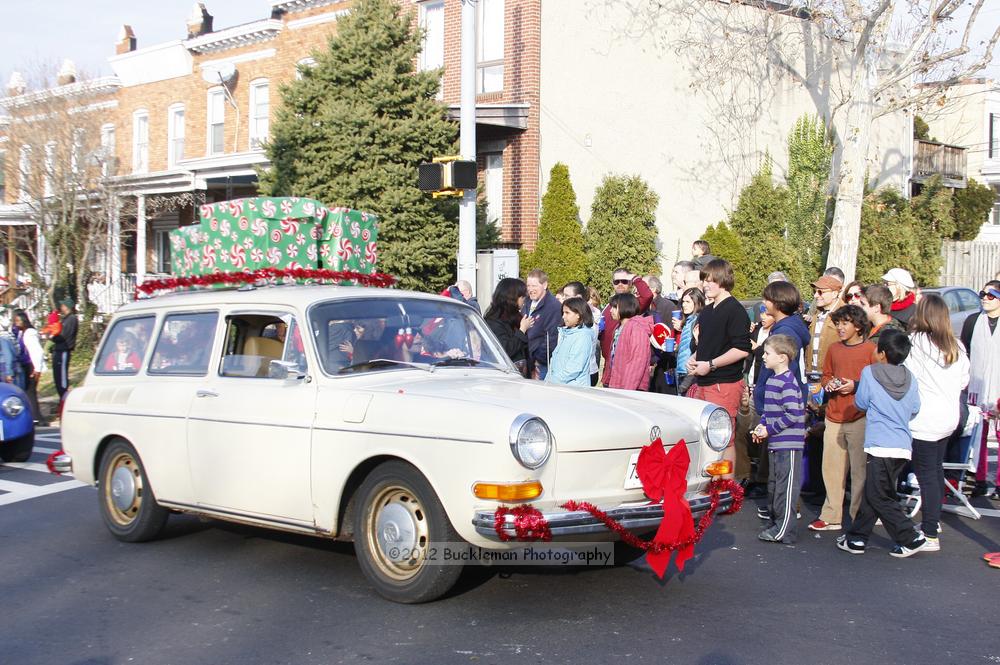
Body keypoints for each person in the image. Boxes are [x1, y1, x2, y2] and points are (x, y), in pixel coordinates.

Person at [837, 329, 926, 558]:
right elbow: (915, 408)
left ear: (882, 353)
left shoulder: (869, 373)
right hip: (902, 444)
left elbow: (861, 402)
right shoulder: (910, 377)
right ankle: (857, 538)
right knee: (874, 491)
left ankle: (909, 537)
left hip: (879, 443)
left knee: (879, 496)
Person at [904, 294, 970, 550]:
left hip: (924, 419)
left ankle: (930, 532)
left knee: (927, 474)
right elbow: (963, 381)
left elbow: (907, 376)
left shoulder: (915, 343)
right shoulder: (956, 346)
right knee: (935, 471)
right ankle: (933, 520)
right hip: (948, 417)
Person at [810, 304, 875, 531]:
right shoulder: (834, 349)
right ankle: (831, 515)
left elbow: (877, 382)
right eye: (837, 323)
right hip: (834, 415)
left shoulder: (871, 350)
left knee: (859, 471)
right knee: (831, 468)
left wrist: (855, 385)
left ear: (858, 326)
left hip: (860, 416)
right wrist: (831, 384)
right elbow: (826, 376)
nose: (839, 327)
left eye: (844, 323)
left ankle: (859, 516)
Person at [685, 259, 752, 448]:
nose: (705, 285)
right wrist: (694, 358)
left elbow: (741, 349)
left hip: (725, 384)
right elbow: (707, 345)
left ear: (723, 280)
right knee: (702, 439)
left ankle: (726, 479)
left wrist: (711, 364)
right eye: (704, 280)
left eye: (710, 280)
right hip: (703, 383)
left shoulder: (735, 310)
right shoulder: (707, 311)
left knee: (723, 441)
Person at [752, 334, 807, 544]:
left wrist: (770, 429)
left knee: (786, 487)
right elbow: (770, 411)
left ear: (782, 357)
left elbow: (793, 413)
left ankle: (784, 530)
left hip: (789, 444)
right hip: (777, 442)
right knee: (774, 485)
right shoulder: (774, 380)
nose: (763, 357)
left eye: (767, 353)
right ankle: (777, 523)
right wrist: (762, 425)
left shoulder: (787, 383)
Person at [961, 280, 1000, 498]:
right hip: (977, 387)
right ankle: (979, 478)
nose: (984, 298)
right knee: (978, 434)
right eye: (982, 294)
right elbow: (966, 353)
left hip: (998, 387)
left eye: (991, 295)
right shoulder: (973, 321)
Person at [599, 268, 654, 386]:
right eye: (616, 281)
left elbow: (647, 295)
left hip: (626, 374)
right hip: (611, 367)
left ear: (629, 283)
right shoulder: (608, 306)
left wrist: (635, 279)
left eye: (624, 281)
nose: (620, 284)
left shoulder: (633, 304)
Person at [604, 293, 656, 391]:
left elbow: (637, 361)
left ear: (625, 307)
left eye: (615, 307)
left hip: (630, 387)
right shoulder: (619, 327)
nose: (611, 310)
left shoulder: (636, 328)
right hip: (617, 384)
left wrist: (628, 389)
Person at [484, 277, 533, 377]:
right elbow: (505, 350)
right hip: (504, 376)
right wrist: (522, 330)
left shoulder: (515, 317)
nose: (524, 300)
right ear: (513, 297)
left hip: (520, 373)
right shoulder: (494, 320)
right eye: (522, 297)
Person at [545, 297, 596, 387]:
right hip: (559, 387)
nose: (563, 316)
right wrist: (548, 380)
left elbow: (574, 368)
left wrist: (552, 381)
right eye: (563, 313)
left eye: (567, 313)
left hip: (573, 388)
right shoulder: (566, 333)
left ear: (579, 314)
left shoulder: (583, 336)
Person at [521, 269, 562, 380]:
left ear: (544, 285)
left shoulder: (553, 307)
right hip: (527, 360)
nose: (530, 289)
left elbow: (551, 338)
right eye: (528, 286)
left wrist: (538, 360)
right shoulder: (526, 302)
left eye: (534, 286)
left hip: (541, 365)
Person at [13, 309, 45, 426]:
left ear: (24, 321)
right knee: (28, 391)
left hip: (31, 365)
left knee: (30, 391)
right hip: (25, 365)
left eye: (18, 321)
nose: (16, 323)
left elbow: (37, 351)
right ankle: (34, 416)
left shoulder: (29, 333)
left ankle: (37, 417)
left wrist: (37, 368)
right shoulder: (22, 332)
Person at [674, 287, 705, 395]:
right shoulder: (687, 321)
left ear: (697, 303)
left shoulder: (698, 320)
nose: (684, 305)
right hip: (681, 370)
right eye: (683, 301)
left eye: (688, 302)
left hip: (690, 372)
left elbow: (699, 347)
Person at [51, 299, 78, 401]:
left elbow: (64, 335)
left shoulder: (71, 319)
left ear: (67, 306)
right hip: (59, 349)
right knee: (57, 377)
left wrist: (53, 337)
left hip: (64, 349)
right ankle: (62, 399)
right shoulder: (64, 319)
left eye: (63, 305)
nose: (61, 307)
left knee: (62, 379)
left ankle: (65, 400)